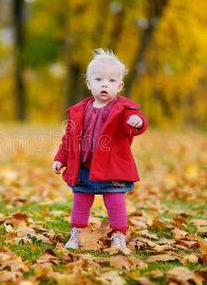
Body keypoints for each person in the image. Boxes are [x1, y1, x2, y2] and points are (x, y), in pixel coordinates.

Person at [52, 48, 148, 249]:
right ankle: (77, 233)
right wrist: (60, 158)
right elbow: (68, 138)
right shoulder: (79, 110)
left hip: (111, 170)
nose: (105, 84)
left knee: (115, 202)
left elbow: (135, 124)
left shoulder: (122, 111)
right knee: (80, 202)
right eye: (99, 79)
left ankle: (118, 235)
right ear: (89, 83)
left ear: (120, 86)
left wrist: (137, 122)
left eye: (112, 81)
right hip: (83, 169)